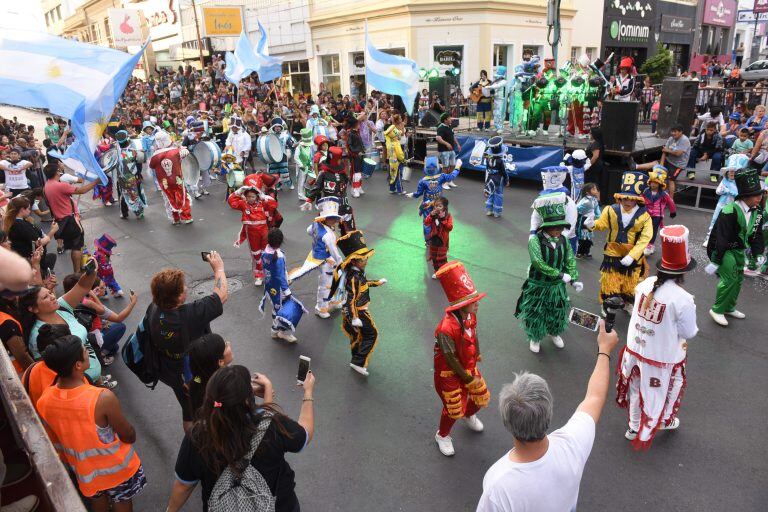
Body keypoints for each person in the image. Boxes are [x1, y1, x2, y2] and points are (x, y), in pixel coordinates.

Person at [476, 320, 620, 512]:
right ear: (549, 411)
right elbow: (594, 397)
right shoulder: (571, 445)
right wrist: (604, 350)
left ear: (507, 422)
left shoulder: (498, 485)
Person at [167, 365, 314, 512]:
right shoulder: (273, 426)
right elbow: (304, 435)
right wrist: (308, 392)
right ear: (247, 400)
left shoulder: (198, 436)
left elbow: (183, 486)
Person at [36, 335, 147, 511]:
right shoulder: (101, 398)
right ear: (78, 365)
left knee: (97, 500)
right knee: (122, 502)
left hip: (84, 471)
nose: (88, 351)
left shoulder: (44, 400)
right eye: (84, 351)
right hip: (116, 469)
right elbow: (128, 434)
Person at [616, 225, 698, 449]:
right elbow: (689, 332)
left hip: (635, 350)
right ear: (683, 271)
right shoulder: (683, 298)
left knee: (634, 387)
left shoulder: (645, 284)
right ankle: (660, 421)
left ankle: (633, 426)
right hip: (661, 356)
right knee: (663, 389)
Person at [148, 252, 228, 432]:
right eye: (183, 287)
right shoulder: (187, 315)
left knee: (188, 410)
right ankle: (210, 438)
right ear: (178, 298)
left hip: (171, 370)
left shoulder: (153, 308)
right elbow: (221, 295)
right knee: (208, 403)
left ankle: (192, 444)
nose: (186, 287)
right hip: (194, 372)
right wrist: (219, 268)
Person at [18, 262, 110, 387]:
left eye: (50, 293)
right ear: (33, 309)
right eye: (45, 297)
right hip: (80, 387)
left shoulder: (61, 307)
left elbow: (82, 286)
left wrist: (91, 271)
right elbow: (52, 372)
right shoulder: (41, 335)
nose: (52, 296)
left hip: (95, 374)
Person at [433, 261, 490, 456]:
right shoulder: (445, 329)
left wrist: (477, 353)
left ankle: (469, 415)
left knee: (479, 396)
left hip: (467, 367)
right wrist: (467, 378)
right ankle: (442, 435)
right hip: (449, 373)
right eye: (474, 302)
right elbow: (450, 358)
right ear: (462, 305)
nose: (477, 304)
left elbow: (474, 335)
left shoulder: (470, 317)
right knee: (453, 408)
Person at [516, 193, 583, 353]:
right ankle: (535, 336)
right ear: (546, 226)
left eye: (561, 227)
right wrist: (560, 275)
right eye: (556, 227)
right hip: (538, 285)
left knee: (558, 311)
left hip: (556, 287)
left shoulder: (564, 240)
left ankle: (554, 333)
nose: (559, 230)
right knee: (536, 312)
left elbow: (569, 260)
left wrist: (573, 279)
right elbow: (538, 263)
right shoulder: (534, 241)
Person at [705, 168, 765, 326]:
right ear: (745, 196)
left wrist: (758, 253)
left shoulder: (757, 211)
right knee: (729, 278)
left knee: (738, 279)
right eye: (756, 195)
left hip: (739, 250)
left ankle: (728, 307)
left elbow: (756, 234)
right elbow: (720, 237)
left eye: (760, 194)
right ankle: (717, 309)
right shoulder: (729, 210)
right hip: (725, 250)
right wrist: (716, 260)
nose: (760, 197)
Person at [590, 171, 653, 307]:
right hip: (612, 251)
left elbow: (645, 238)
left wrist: (632, 256)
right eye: (625, 198)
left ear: (637, 199)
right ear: (620, 198)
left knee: (629, 281)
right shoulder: (610, 210)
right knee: (610, 280)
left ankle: (628, 303)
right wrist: (593, 225)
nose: (628, 202)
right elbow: (602, 224)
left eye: (631, 199)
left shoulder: (645, 216)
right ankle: (607, 305)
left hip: (632, 254)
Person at [329, 230, 386, 376]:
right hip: (358, 311)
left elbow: (365, 284)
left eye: (366, 258)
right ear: (354, 261)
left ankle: (356, 359)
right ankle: (358, 362)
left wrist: (377, 283)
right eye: (362, 259)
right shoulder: (353, 277)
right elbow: (351, 298)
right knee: (372, 334)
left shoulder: (358, 272)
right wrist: (355, 317)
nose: (366, 260)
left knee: (357, 336)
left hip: (355, 311)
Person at [42, 162, 98, 272]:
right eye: (59, 170)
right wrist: (96, 182)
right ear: (57, 172)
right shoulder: (60, 185)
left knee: (73, 246)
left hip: (60, 221)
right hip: (69, 220)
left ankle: (77, 269)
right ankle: (77, 272)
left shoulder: (46, 186)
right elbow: (82, 190)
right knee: (77, 246)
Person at [260, 228, 306, 343]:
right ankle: (280, 331)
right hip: (280, 289)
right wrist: (287, 291)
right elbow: (280, 276)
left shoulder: (265, 252)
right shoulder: (279, 256)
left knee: (276, 308)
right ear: (281, 241)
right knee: (285, 310)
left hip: (270, 287)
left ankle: (275, 331)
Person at [227, 185, 278, 287]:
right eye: (248, 196)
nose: (250, 198)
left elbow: (274, 204)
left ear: (257, 196)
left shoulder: (263, 204)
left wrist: (263, 196)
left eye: (253, 196)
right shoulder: (243, 204)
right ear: (245, 197)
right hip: (251, 234)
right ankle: (258, 276)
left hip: (264, 232)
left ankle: (270, 273)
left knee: (267, 253)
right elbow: (231, 201)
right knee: (256, 256)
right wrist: (239, 191)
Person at [407, 156, 458, 242]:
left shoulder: (423, 181)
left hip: (427, 205)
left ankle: (428, 241)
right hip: (439, 205)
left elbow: (418, 193)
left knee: (427, 222)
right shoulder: (442, 176)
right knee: (441, 220)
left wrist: (412, 195)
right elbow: (452, 176)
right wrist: (457, 167)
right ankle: (440, 237)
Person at [4, 195, 57, 277]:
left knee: (52, 257)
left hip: (25, 258)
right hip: (31, 260)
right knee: (50, 262)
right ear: (22, 209)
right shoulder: (20, 224)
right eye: (28, 208)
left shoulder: (14, 222)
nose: (30, 211)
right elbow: (39, 243)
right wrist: (53, 231)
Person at [637, 124, 690, 199]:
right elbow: (664, 152)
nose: (673, 133)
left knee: (671, 180)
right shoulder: (671, 139)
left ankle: (670, 200)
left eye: (675, 131)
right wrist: (661, 165)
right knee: (655, 163)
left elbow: (678, 153)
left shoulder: (684, 140)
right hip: (669, 160)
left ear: (681, 132)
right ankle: (636, 166)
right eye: (672, 131)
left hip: (678, 165)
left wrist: (667, 150)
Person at [186, 333, 234, 417]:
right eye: (225, 345)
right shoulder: (225, 388)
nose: (229, 343)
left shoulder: (197, 381)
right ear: (220, 362)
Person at [704, 157, 741, 246]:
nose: (732, 173)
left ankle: (725, 241)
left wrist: (729, 191)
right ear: (727, 173)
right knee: (715, 220)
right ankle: (709, 238)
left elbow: (739, 195)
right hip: (721, 204)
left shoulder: (739, 183)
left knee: (729, 224)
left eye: (734, 171)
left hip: (732, 206)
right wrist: (722, 190)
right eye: (730, 171)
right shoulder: (724, 181)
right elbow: (718, 191)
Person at [641, 167, 677, 255]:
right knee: (644, 228)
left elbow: (670, 202)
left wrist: (673, 212)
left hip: (657, 215)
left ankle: (650, 245)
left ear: (660, 184)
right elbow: (641, 198)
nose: (653, 184)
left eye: (655, 183)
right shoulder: (646, 191)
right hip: (647, 213)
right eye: (652, 182)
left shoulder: (664, 194)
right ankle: (644, 244)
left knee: (653, 230)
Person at [424, 197, 453, 277]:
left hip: (442, 240)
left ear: (444, 207)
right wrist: (430, 215)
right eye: (436, 206)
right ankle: (437, 272)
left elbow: (450, 227)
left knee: (442, 259)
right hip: (433, 239)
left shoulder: (448, 216)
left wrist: (443, 219)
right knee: (434, 258)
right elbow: (426, 223)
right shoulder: (433, 214)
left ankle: (445, 272)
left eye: (440, 206)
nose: (437, 208)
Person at [482, 137, 510, 217]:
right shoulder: (500, 161)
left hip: (490, 177)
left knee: (491, 192)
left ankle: (489, 210)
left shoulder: (488, 160)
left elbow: (487, 168)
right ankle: (496, 212)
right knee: (498, 194)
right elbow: (504, 172)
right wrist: (506, 180)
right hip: (498, 179)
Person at [575, 183, 601, 259]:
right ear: (587, 192)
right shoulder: (584, 201)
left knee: (589, 236)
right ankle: (579, 252)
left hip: (590, 220)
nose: (596, 190)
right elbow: (577, 209)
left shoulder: (594, 200)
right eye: (593, 189)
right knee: (582, 237)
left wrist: (599, 217)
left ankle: (586, 251)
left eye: (596, 188)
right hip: (583, 220)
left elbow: (597, 210)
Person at [436, 113, 461, 190]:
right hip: (444, 151)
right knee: (445, 167)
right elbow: (438, 138)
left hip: (451, 150)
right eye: (449, 118)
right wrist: (446, 144)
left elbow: (452, 136)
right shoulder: (440, 128)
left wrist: (458, 144)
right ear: (445, 120)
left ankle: (449, 180)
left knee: (453, 165)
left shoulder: (450, 126)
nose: (451, 119)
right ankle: (443, 183)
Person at [384, 115, 407, 195]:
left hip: (391, 159)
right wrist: (403, 159)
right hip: (397, 159)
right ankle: (400, 190)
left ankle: (392, 188)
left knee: (392, 173)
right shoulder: (396, 143)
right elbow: (400, 154)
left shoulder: (389, 142)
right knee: (398, 173)